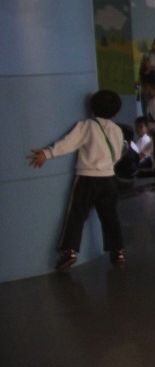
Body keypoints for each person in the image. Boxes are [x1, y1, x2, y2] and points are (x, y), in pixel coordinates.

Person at [27, 89, 127, 270]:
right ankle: (118, 251)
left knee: (77, 215)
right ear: (116, 112)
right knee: (110, 216)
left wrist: (47, 153)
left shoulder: (87, 126)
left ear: (92, 108)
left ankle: (70, 251)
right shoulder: (117, 130)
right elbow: (118, 154)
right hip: (109, 179)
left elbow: (68, 143)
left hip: (87, 179)